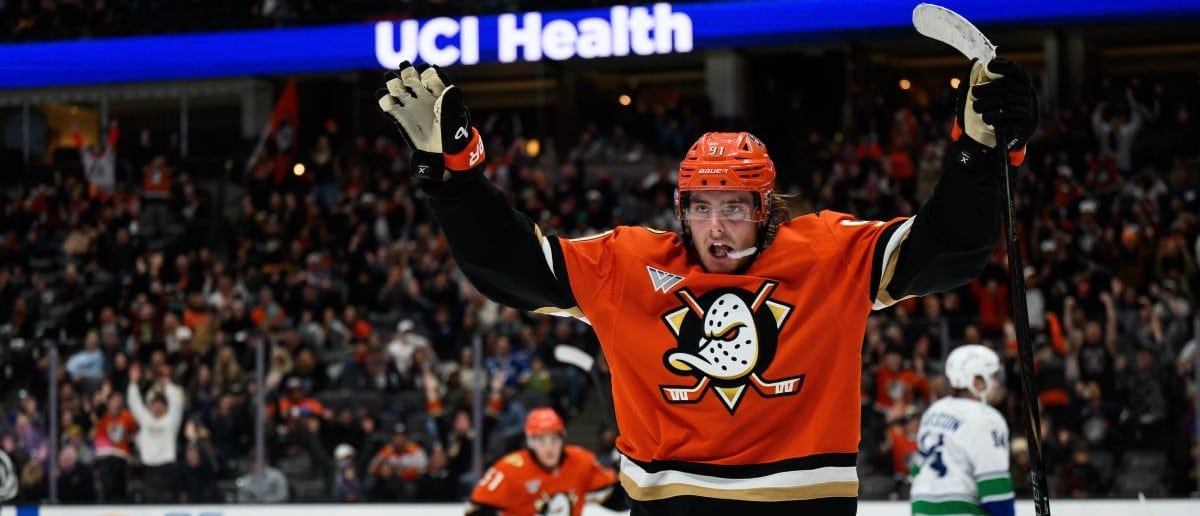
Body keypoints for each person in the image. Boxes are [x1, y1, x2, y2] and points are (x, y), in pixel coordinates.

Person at [376, 54, 1037, 515]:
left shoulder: (828, 253)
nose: (714, 228)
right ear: (679, 208)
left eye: (734, 208)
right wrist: (455, 179)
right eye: (699, 207)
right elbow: (511, 265)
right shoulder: (627, 264)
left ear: (767, 208)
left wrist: (979, 159)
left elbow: (945, 251)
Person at [910, 345, 1014, 516]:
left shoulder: (933, 411)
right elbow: (995, 490)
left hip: (921, 507)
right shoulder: (987, 418)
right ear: (976, 381)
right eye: (992, 376)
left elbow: (915, 472)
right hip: (962, 508)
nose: (996, 383)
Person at [467, 408, 624, 515]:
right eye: (541, 440)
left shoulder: (581, 461)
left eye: (554, 439)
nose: (549, 447)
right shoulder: (510, 469)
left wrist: (624, 471)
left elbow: (615, 500)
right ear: (530, 442)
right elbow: (477, 510)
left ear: (562, 438)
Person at [127, 362, 185, 503]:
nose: (157, 407)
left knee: (168, 502)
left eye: (161, 404)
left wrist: (167, 383)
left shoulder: (171, 421)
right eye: (154, 404)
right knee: (151, 504)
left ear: (165, 407)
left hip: (167, 468)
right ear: (150, 406)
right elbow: (134, 403)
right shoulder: (145, 419)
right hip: (149, 469)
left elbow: (177, 403)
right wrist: (133, 383)